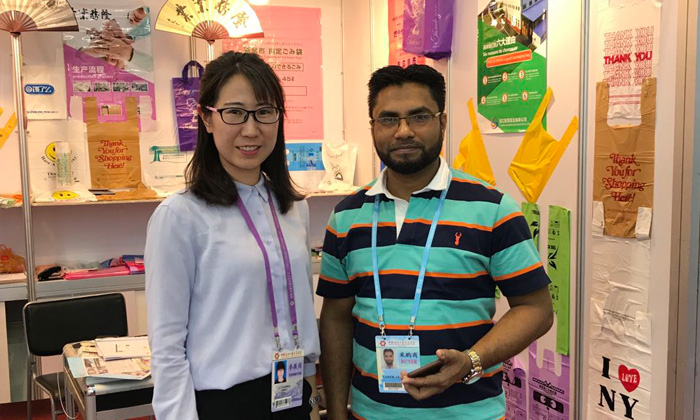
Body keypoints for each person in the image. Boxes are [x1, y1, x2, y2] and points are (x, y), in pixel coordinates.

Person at [317, 64, 553, 420]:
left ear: (442, 122)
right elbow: (336, 319)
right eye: (388, 119)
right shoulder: (346, 216)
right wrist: (336, 413)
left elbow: (536, 309)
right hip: (371, 413)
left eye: (419, 117)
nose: (404, 131)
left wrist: (472, 361)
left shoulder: (492, 209)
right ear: (373, 127)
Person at [146, 52, 321, 420]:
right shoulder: (180, 216)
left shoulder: (294, 208)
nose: (251, 129)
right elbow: (167, 345)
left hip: (290, 393)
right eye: (235, 112)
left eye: (264, 112)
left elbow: (300, 308)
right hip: (224, 403)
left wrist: (309, 387)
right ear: (207, 118)